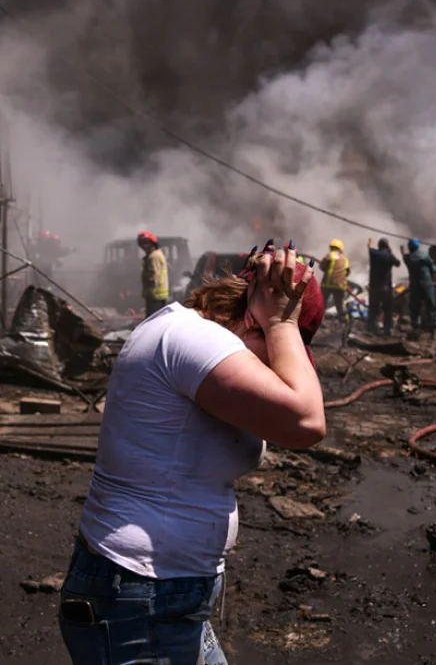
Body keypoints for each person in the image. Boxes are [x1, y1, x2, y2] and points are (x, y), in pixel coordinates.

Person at [60, 243, 325, 665]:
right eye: (275, 348)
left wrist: (276, 327)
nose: (277, 368)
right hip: (139, 597)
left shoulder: (199, 340)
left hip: (164, 597)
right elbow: (307, 423)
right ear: (257, 321)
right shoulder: (193, 339)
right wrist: (283, 324)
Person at [402, 239, 436, 340]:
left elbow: (404, 257)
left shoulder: (408, 258)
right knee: (431, 307)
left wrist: (402, 250)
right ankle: (434, 332)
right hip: (427, 285)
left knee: (415, 309)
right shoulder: (424, 256)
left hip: (414, 286)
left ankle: (416, 332)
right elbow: (433, 269)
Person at [366, 238, 401, 336]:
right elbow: (398, 263)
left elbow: (369, 247)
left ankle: (370, 329)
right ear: (387, 246)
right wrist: (391, 251)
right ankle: (387, 329)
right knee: (388, 309)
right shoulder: (389, 256)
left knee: (373, 308)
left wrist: (370, 242)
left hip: (374, 287)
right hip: (386, 288)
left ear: (379, 246)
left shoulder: (374, 254)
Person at [138, 231, 170, 316]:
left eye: (146, 243)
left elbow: (154, 276)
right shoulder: (157, 254)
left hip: (154, 295)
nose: (144, 246)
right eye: (142, 244)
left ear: (152, 243)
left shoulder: (153, 257)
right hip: (158, 295)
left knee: (153, 321)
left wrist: (148, 293)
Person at [319, 239, 350, 319]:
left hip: (327, 284)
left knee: (322, 302)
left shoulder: (329, 255)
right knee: (340, 305)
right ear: (340, 249)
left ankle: (318, 320)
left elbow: (321, 266)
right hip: (340, 286)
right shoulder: (345, 259)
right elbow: (347, 272)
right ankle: (345, 321)